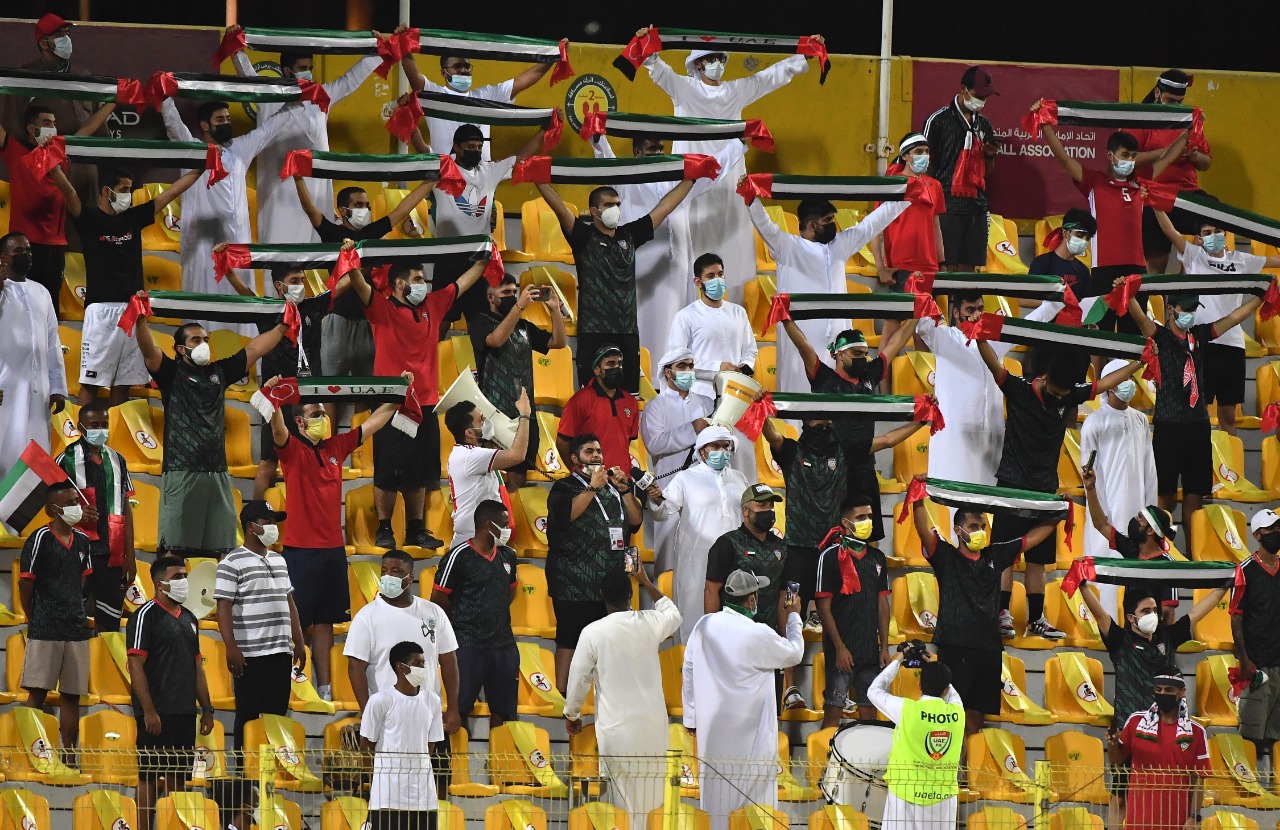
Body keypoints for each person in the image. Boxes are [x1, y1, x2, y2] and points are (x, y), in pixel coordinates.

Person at [635, 26, 826, 307]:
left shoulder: (735, 91)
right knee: (688, 255)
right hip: (692, 191)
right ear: (698, 64)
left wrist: (804, 55)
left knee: (732, 256)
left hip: (730, 189)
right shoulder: (684, 89)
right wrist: (646, 43)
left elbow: (768, 78)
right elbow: (657, 69)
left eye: (720, 58)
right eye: (711, 58)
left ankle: (730, 314)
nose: (717, 64)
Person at [975, 333, 1140, 640]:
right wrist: (980, 337)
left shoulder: (1069, 395)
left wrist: (1138, 363)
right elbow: (994, 364)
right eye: (1054, 392)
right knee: (1005, 555)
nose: (1058, 399)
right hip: (1011, 487)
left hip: (1045, 491)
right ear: (1044, 377)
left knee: (1038, 561)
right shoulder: (1018, 390)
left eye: (1063, 395)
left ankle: (1035, 619)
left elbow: (1104, 384)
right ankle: (1001, 612)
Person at [265, 374, 406, 701]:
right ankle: (294, 685)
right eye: (315, 414)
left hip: (333, 550)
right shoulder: (292, 450)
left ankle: (325, 689)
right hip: (300, 551)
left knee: (326, 621)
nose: (323, 419)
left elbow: (374, 422)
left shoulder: (336, 447)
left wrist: (399, 393)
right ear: (300, 422)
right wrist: (273, 403)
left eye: (324, 414)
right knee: (298, 623)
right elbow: (278, 430)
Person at [345, 254, 491, 550]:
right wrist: (351, 261)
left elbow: (461, 284)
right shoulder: (381, 308)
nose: (424, 284)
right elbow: (359, 283)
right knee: (387, 471)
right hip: (390, 403)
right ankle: (384, 529)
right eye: (418, 279)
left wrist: (483, 262)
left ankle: (415, 530)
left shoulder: (433, 305)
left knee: (421, 473)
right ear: (399, 284)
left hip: (426, 403)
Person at [762, 409, 927, 644]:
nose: (825, 430)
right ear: (806, 425)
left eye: (828, 425)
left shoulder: (843, 451)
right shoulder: (792, 452)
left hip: (833, 549)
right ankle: (786, 657)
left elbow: (887, 440)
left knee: (837, 605)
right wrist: (760, 411)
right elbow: (772, 435)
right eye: (819, 426)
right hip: (799, 547)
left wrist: (921, 422)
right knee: (789, 599)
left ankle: (837, 650)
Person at [134, 311, 288, 557]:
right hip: (181, 470)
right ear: (181, 349)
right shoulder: (170, 372)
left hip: (217, 472)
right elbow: (149, 350)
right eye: (196, 340)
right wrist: (140, 321)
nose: (203, 344)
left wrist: (283, 326)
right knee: (173, 550)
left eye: (205, 339)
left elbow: (254, 349)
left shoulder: (220, 372)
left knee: (223, 550)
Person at [912, 492, 1057, 747]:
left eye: (982, 526)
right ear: (958, 530)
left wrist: (1057, 514)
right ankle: (950, 767)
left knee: (976, 719)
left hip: (988, 648)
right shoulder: (946, 557)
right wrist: (917, 499)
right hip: (955, 646)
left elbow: (1031, 539)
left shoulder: (995, 555)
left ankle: (969, 770)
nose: (979, 531)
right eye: (972, 526)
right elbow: (923, 529)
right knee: (951, 716)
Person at [50, 165, 201, 406]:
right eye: (123, 190)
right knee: (91, 382)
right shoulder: (89, 219)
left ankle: (114, 430)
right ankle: (80, 430)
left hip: (133, 312)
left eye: (130, 190)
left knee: (123, 383)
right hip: (101, 311)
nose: (128, 196)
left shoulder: (134, 217)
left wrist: (201, 167)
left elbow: (171, 193)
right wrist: (52, 166)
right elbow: (69, 193)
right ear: (106, 191)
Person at [588, 132, 747, 361]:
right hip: (643, 273)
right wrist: (597, 137)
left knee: (677, 330)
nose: (659, 154)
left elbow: (712, 168)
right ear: (637, 152)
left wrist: (739, 143)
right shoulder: (626, 181)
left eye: (662, 149)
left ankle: (673, 376)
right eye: (653, 149)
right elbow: (606, 160)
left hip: (676, 273)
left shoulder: (678, 181)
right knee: (644, 330)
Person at [1123, 287, 1264, 543]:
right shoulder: (1160, 337)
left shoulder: (1199, 335)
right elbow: (1140, 318)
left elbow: (1233, 318)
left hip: (1198, 426)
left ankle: (1192, 551)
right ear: (1170, 309)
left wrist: (1260, 298)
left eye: (1193, 309)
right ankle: (1160, 548)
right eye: (1185, 309)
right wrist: (1128, 292)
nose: (1189, 314)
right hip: (1168, 425)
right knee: (1164, 494)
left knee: (1194, 496)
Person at [1078, 582, 1224, 827]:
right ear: (1131, 617)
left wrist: (1224, 586)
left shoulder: (1167, 637)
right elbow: (1100, 614)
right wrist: (1082, 585)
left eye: (1155, 610)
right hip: (1129, 731)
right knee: (1120, 797)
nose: (1153, 615)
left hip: (1166, 730)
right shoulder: (1119, 640)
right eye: (1146, 611)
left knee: (1167, 793)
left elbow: (1197, 613)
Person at [226, 24, 384, 244]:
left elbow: (350, 80)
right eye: (302, 67)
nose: (308, 72)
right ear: (287, 71)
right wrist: (235, 47)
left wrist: (377, 51)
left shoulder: (320, 97)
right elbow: (248, 75)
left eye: (310, 67)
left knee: (318, 251)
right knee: (281, 252)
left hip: (317, 194)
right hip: (280, 195)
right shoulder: (268, 95)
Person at [158, 96, 305, 330]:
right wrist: (165, 96)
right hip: (201, 252)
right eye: (220, 119)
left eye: (228, 118)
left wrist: (297, 100)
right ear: (205, 125)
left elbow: (270, 128)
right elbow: (173, 124)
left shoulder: (240, 149)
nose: (226, 123)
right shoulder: (193, 150)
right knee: (202, 312)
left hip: (237, 249)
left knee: (240, 314)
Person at [745, 189, 911, 396]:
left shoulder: (839, 246)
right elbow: (765, 226)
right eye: (828, 220)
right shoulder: (787, 247)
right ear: (812, 225)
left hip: (838, 337)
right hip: (802, 337)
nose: (833, 224)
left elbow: (871, 225)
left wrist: (905, 198)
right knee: (800, 392)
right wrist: (751, 198)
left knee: (841, 397)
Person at [535, 178, 695, 392]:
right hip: (593, 331)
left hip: (627, 331)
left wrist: (691, 179)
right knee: (592, 398)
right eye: (609, 205)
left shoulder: (630, 235)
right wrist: (538, 181)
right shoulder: (583, 236)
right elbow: (560, 209)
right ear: (594, 211)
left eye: (618, 204)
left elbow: (664, 208)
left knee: (628, 397)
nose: (615, 210)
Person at [217, 253, 354, 499]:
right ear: (279, 286)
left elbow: (344, 284)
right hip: (278, 399)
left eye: (302, 280)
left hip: (309, 400)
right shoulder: (268, 310)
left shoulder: (313, 306)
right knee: (268, 464)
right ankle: (259, 514)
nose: (300, 285)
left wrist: (355, 257)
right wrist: (227, 270)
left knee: (313, 460)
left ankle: (309, 512)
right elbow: (245, 292)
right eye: (294, 280)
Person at [1037, 109, 1187, 327]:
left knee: (1134, 334)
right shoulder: (1093, 181)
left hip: (1137, 270)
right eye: (1125, 155)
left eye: (1133, 156)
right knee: (1101, 332)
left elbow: (1170, 156)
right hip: (1104, 270)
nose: (1130, 161)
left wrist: (1189, 128)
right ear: (1110, 155)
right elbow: (1063, 157)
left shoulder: (1141, 181)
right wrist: (1044, 125)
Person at [295, 175, 438, 403]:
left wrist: (430, 183)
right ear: (343, 210)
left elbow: (402, 210)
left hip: (370, 321)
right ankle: (329, 428)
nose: (365, 210)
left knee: (368, 390)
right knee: (329, 389)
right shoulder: (332, 233)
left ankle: (363, 427)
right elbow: (310, 210)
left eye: (367, 205)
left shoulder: (372, 233)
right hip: (337, 319)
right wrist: (298, 178)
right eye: (359, 205)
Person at [778, 317, 919, 542]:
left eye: (865, 353)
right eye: (857, 353)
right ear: (840, 354)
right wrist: (786, 320)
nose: (863, 358)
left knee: (868, 530)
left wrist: (917, 315)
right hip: (833, 468)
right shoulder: (824, 378)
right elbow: (804, 346)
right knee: (834, 533)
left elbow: (897, 342)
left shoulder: (869, 377)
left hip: (864, 466)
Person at [683, 569, 804, 830]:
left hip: (713, 733)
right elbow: (795, 653)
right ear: (751, 599)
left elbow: (688, 668)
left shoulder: (703, 626)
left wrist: (691, 717)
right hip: (752, 740)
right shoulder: (758, 633)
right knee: (754, 806)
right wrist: (794, 615)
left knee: (716, 799)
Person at [564, 566, 683, 830]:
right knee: (653, 796)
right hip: (653, 727)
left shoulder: (593, 632)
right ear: (631, 594)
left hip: (617, 730)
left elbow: (578, 678)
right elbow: (674, 615)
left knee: (622, 802)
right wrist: (646, 582)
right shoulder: (649, 622)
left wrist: (572, 715)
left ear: (602, 595)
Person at [915, 290, 1062, 488]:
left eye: (980, 309)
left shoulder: (994, 341)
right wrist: (920, 284)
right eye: (970, 310)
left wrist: (1058, 300)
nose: (976, 315)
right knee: (953, 500)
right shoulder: (944, 339)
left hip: (990, 439)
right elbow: (923, 323)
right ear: (956, 313)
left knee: (988, 500)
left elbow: (1031, 322)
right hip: (955, 439)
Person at [1154, 208, 1280, 436]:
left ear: (1225, 234)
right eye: (1207, 232)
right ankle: (1198, 455)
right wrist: (1155, 205)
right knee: (1196, 410)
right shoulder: (1194, 255)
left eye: (1218, 231)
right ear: (1200, 238)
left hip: (1233, 342)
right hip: (1201, 342)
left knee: (1228, 414)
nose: (1214, 235)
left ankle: (1228, 457)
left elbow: (1276, 260)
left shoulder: (1240, 260)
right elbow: (1168, 230)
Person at [419, 122, 546, 326]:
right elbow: (421, 148)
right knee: (441, 320)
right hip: (448, 257)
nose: (476, 151)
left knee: (480, 322)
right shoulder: (442, 167)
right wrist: (410, 116)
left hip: (480, 260)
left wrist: (544, 130)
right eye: (470, 147)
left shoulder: (489, 171)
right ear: (456, 146)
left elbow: (520, 156)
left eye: (479, 147)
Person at [546, 434, 644, 692]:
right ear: (575, 458)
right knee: (569, 639)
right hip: (573, 581)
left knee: (612, 641)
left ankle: (609, 694)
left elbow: (635, 520)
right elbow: (564, 517)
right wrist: (592, 488)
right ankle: (564, 697)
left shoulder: (614, 487)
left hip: (610, 581)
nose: (597, 456)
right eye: (589, 452)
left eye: (599, 451)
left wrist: (625, 490)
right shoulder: (564, 487)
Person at [0, 102, 117, 315]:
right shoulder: (15, 151)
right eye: (46, 123)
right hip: (24, 246)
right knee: (16, 307)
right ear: (31, 128)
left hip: (55, 247)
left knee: (49, 307)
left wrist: (114, 100)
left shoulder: (60, 151)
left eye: (54, 123)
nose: (53, 128)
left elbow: (89, 127)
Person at [126, 556, 215, 830]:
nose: (183, 581)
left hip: (184, 713)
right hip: (156, 713)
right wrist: (149, 711)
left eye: (184, 576)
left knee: (178, 778)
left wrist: (207, 708)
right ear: (158, 583)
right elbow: (135, 665)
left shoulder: (190, 619)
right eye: (177, 576)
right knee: (149, 777)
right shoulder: (144, 616)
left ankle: (172, 825)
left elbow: (197, 668)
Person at [214, 500, 306, 750]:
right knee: (248, 716)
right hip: (250, 655)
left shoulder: (279, 560)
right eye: (267, 522)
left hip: (280, 652)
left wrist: (298, 641)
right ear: (250, 527)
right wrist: (231, 647)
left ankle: (269, 768)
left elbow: (289, 602)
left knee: (276, 716)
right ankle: (244, 769)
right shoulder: (231, 562)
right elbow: (223, 607)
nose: (273, 527)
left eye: (274, 522)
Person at [648, 425, 751, 643]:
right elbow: (663, 511)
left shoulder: (739, 478)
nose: (721, 451)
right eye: (715, 446)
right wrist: (656, 499)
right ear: (702, 450)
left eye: (725, 446)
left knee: (735, 622)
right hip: (697, 561)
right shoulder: (685, 478)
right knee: (694, 617)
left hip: (736, 559)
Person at [1, 14, 110, 209]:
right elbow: (14, 129)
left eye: (67, 34)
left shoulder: (84, 75)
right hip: (46, 171)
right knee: (53, 223)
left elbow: (99, 126)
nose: (66, 40)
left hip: (85, 168)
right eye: (59, 36)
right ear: (44, 43)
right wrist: (39, 163)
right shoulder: (25, 78)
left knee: (88, 222)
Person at [666, 252, 758, 479]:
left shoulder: (738, 312)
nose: (718, 280)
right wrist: (718, 367)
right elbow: (676, 361)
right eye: (710, 276)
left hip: (737, 397)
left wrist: (744, 367)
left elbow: (750, 349)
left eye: (720, 274)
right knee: (704, 464)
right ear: (698, 282)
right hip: (701, 397)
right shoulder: (685, 317)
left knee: (737, 464)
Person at [469, 275, 567, 488]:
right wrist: (520, 307)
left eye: (514, 292)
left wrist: (554, 311)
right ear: (490, 298)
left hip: (523, 412)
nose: (512, 297)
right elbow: (496, 340)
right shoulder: (480, 321)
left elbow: (558, 342)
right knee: (492, 482)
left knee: (518, 480)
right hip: (494, 412)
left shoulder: (524, 326)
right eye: (505, 293)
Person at [344, 550, 460, 727]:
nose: (388, 576)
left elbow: (449, 661)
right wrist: (368, 713)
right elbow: (355, 668)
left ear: (410, 578)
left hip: (429, 714)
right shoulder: (366, 617)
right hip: (387, 717)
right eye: (384, 571)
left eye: (396, 571)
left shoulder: (434, 612)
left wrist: (453, 708)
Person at [17, 481, 92, 749]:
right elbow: (25, 583)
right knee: (37, 693)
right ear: (52, 510)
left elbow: (83, 579)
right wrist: (34, 616)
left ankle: (69, 757)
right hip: (45, 626)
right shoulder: (39, 539)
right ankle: (31, 754)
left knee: (72, 696)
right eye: (70, 503)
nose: (77, 507)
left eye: (77, 501)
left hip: (77, 628)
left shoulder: (83, 540)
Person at [1079, 361, 1158, 618]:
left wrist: (1151, 514)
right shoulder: (1094, 423)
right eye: (1122, 380)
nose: (1129, 385)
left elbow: (1149, 470)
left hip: (1138, 518)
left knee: (1135, 584)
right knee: (1106, 582)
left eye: (1131, 379)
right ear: (1110, 386)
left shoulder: (1140, 420)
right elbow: (1090, 476)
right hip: (1106, 518)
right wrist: (1103, 517)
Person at [432, 500, 519, 730]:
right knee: (459, 710)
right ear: (488, 525)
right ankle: (456, 754)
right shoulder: (458, 556)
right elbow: (438, 598)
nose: (508, 529)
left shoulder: (508, 556)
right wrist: (462, 623)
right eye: (504, 524)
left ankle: (499, 753)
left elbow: (510, 591)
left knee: (505, 712)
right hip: (467, 644)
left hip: (503, 643)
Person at [401, 39, 568, 158]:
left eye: (467, 66)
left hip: (483, 181)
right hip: (445, 180)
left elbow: (524, 80)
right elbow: (412, 73)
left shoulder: (485, 96)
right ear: (444, 73)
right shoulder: (433, 94)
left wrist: (553, 56)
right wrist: (403, 43)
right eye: (457, 66)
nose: (464, 70)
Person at [54, 400, 136, 634]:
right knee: (71, 622)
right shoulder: (65, 460)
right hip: (76, 553)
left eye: (104, 425)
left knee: (109, 626)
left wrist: (130, 555)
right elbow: (52, 507)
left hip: (111, 555)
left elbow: (126, 508)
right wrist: (76, 515)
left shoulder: (118, 460)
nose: (100, 430)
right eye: (94, 425)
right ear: (80, 427)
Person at [816, 495, 891, 725]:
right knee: (834, 710)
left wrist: (884, 647)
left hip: (870, 651)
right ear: (845, 522)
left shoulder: (878, 558)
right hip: (841, 651)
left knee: (869, 715)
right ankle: (825, 750)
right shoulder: (829, 556)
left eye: (869, 516)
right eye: (860, 517)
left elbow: (882, 604)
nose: (867, 521)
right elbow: (823, 607)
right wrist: (839, 648)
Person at [869, 651, 964, 830]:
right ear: (945, 689)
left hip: (904, 793)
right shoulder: (958, 712)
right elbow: (951, 691)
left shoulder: (906, 710)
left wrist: (897, 661)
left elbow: (873, 691)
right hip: (942, 798)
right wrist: (936, 666)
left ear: (919, 684)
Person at [0, 232, 67, 480]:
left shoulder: (41, 291)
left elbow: (52, 342)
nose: (25, 255)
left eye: (28, 250)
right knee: (6, 451)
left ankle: (32, 503)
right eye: (18, 251)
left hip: (40, 390)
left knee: (36, 454)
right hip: (5, 389)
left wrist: (57, 386)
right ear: (2, 257)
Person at [872, 132, 946, 354]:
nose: (924, 156)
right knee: (892, 327)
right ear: (905, 156)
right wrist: (880, 267)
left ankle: (921, 376)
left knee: (924, 330)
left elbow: (936, 227)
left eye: (927, 152)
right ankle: (880, 375)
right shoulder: (891, 186)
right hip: (902, 266)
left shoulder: (935, 186)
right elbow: (874, 229)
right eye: (918, 152)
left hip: (929, 267)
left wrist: (942, 263)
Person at [360, 640, 446, 830]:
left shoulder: (432, 701)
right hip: (387, 796)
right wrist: (378, 781)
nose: (422, 668)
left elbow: (430, 745)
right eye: (416, 663)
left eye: (423, 663)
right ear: (401, 667)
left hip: (424, 797)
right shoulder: (380, 701)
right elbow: (366, 746)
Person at [640, 347, 712, 572]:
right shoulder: (655, 407)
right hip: (669, 489)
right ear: (668, 372)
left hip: (704, 490)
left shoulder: (707, 403)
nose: (688, 370)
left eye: (691, 366)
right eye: (682, 366)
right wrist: (693, 429)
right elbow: (654, 443)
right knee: (669, 562)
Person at [1135, 69, 1214, 273]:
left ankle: (1187, 273)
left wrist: (1195, 156)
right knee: (1155, 265)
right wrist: (1169, 152)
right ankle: (1156, 292)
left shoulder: (1189, 120)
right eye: (1170, 100)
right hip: (1151, 197)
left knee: (1213, 214)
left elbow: (1206, 163)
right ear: (1157, 94)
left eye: (1179, 102)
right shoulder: (1140, 119)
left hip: (1185, 194)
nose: (1175, 106)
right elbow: (1129, 160)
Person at [922, 66, 1000, 271]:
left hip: (977, 206)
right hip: (947, 204)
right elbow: (925, 164)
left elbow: (985, 173)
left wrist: (989, 156)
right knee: (946, 268)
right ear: (963, 89)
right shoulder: (938, 120)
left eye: (985, 97)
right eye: (978, 95)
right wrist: (933, 204)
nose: (981, 101)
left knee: (969, 272)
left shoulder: (984, 125)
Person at [1109, 671, 1209, 830]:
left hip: (1177, 821)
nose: (1162, 694)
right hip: (1138, 821)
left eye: (1169, 690)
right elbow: (1116, 760)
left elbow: (1198, 781)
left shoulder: (1196, 732)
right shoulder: (1136, 721)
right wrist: (1113, 744)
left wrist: (1193, 817)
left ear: (1181, 692)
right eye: (1158, 689)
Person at [1083, 468, 1180, 624]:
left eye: (1140, 518)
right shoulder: (1132, 548)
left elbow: (1168, 612)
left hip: (1154, 633)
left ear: (1150, 530)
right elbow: (1101, 524)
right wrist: (1090, 489)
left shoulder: (1167, 564)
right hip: (1130, 631)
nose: (1134, 519)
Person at [442, 389, 532, 547]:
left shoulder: (468, 454)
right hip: (472, 544)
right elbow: (517, 455)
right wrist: (525, 415)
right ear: (470, 433)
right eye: (481, 420)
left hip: (481, 540)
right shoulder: (470, 456)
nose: (487, 422)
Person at [1230, 509, 1280, 757]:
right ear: (1257, 535)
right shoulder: (1245, 570)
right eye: (1271, 529)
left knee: (1275, 738)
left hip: (1279, 663)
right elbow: (1236, 617)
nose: (1277, 533)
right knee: (1251, 739)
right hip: (1257, 666)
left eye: (1278, 528)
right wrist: (1244, 659)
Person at [556, 344, 641, 470]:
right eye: (610, 364)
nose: (616, 368)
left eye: (619, 364)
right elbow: (562, 441)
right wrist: (577, 471)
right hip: (592, 477)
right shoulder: (580, 400)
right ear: (597, 370)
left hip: (622, 476)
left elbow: (625, 443)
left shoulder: (631, 402)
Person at [1028, 208, 1095, 302]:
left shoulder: (1083, 271)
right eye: (1079, 235)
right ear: (1065, 233)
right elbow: (1024, 300)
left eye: (1087, 238)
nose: (1083, 241)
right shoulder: (1042, 262)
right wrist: (1058, 303)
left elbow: (1086, 303)